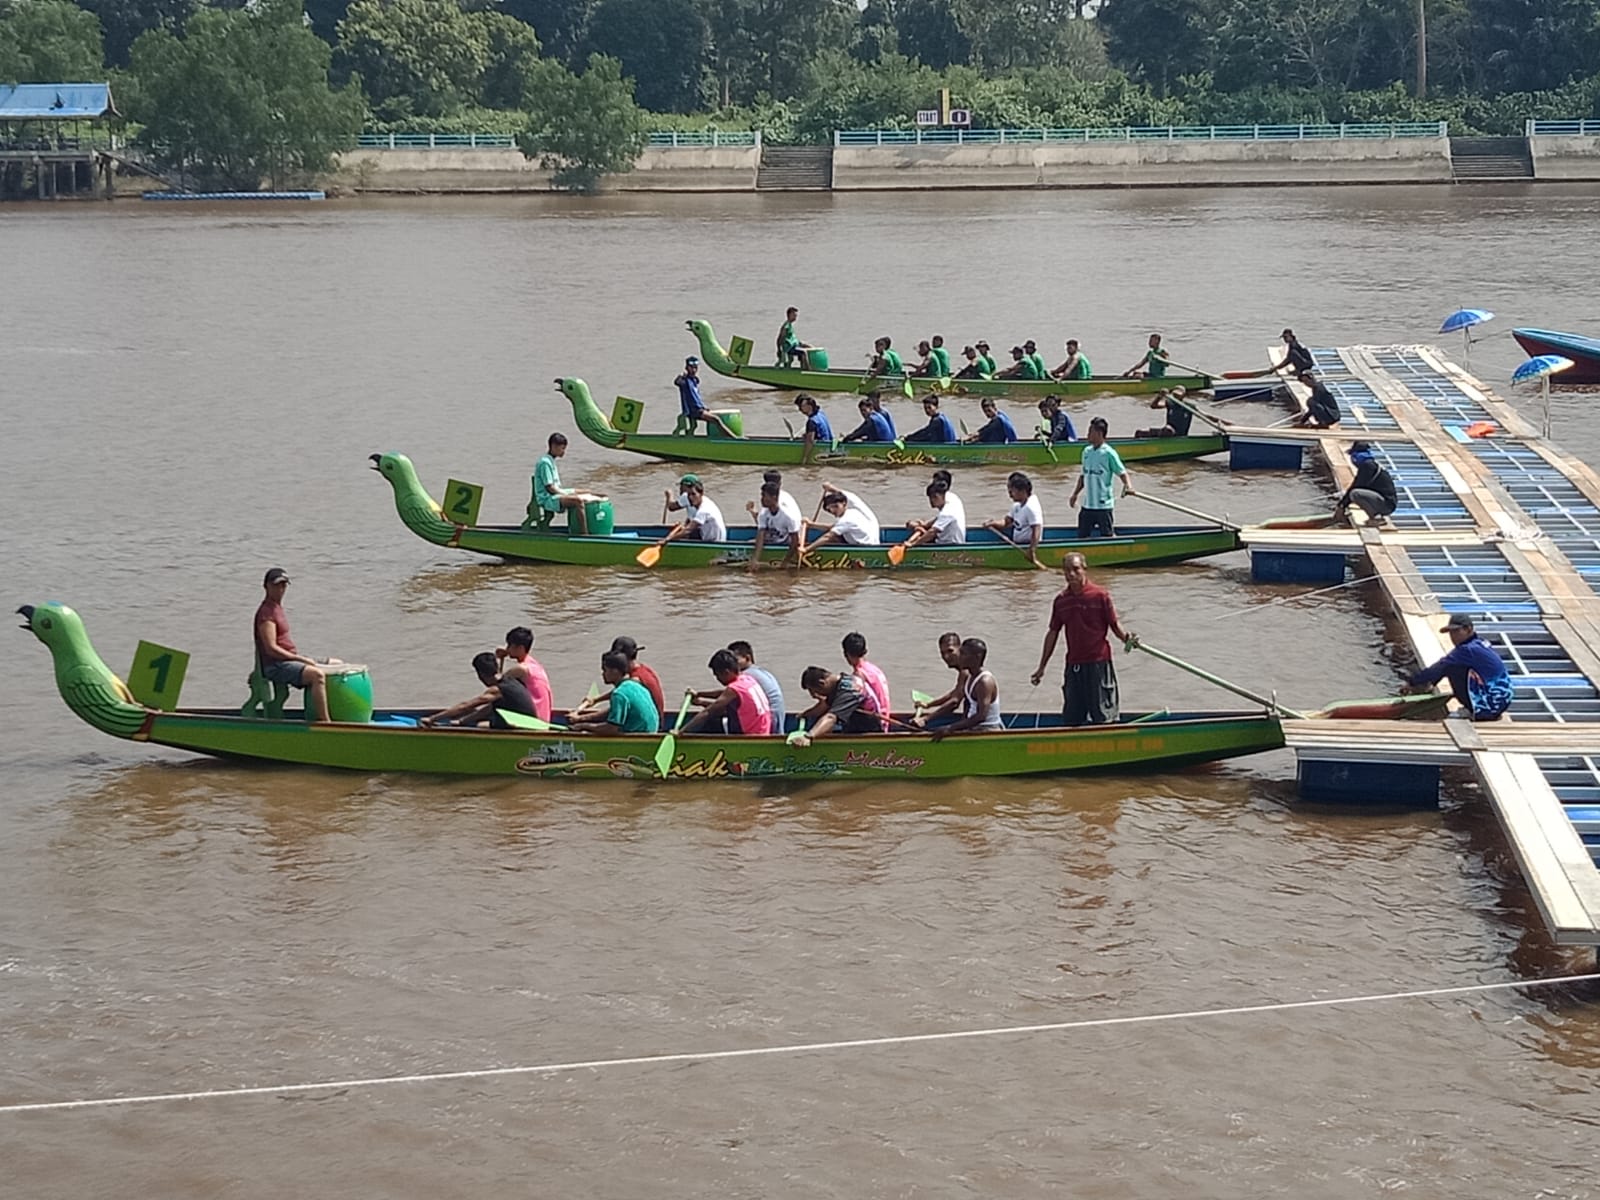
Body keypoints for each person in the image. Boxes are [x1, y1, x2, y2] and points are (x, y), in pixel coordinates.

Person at [1031, 553, 1134, 726]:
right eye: (1067, 570)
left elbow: (1114, 625)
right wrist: (1042, 667)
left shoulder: (1100, 595)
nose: (1071, 574)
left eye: (1076, 569)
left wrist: (1127, 639)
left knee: (1103, 716)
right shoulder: (1061, 601)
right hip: (1074, 665)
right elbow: (1053, 632)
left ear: (1084, 569)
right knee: (1072, 718)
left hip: (1098, 664)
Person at [254, 567, 333, 723]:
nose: (280, 589)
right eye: (276, 585)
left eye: (283, 585)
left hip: (289, 660)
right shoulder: (266, 613)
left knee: (336, 664)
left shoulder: (277, 608)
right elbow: (271, 648)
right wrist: (300, 659)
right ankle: (325, 722)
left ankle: (334, 711)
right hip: (275, 665)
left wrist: (299, 659)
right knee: (316, 675)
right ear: (266, 586)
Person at [1404, 613, 1514, 721]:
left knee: (1451, 667)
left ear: (1468, 629)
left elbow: (1440, 666)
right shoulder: (1480, 643)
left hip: (1489, 704)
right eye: (1451, 633)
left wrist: (1412, 682)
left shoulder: (1467, 650)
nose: (1452, 637)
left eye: (1456, 631)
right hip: (1500, 701)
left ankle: (1472, 710)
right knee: (1451, 664)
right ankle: (1429, 687)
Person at [420, 651, 538, 729]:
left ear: (480, 674)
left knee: (481, 725)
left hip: (522, 727)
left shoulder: (496, 690)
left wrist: (432, 719)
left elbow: (465, 706)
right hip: (529, 723)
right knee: (482, 720)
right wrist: (462, 721)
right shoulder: (510, 680)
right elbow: (488, 709)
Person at [573, 636, 664, 728]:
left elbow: (618, 701)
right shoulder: (643, 671)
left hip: (652, 727)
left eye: (605, 670)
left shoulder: (635, 679)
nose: (602, 674)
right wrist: (594, 700)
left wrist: (583, 721)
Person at [684, 648, 773, 735]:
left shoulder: (734, 689)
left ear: (726, 672)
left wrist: (681, 732)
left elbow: (708, 712)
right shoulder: (747, 679)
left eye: (717, 675)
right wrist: (699, 695)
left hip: (751, 736)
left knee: (709, 719)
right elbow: (722, 694)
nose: (717, 679)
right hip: (763, 731)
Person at [929, 638, 1003, 740]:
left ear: (977, 657)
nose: (959, 657)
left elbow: (981, 716)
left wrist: (950, 728)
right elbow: (958, 698)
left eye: (963, 654)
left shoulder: (985, 682)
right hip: (974, 728)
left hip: (987, 730)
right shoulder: (968, 676)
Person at [1071, 416, 1132, 538]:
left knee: (1107, 535)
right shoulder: (1086, 452)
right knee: (1082, 536)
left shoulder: (1109, 453)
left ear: (1099, 433)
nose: (1087, 435)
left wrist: (1128, 486)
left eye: (1090, 432)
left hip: (1103, 505)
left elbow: (1122, 473)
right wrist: (1075, 494)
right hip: (1088, 505)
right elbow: (1083, 476)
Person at [525, 431, 597, 533]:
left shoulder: (551, 461)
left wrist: (567, 493)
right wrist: (565, 495)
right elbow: (549, 487)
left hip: (556, 493)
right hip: (547, 498)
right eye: (562, 448)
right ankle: (584, 533)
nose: (564, 452)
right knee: (578, 501)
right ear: (553, 446)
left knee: (587, 492)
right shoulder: (545, 463)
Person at [791, 666, 882, 745]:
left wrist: (808, 736)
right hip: (853, 727)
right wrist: (805, 714)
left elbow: (831, 717)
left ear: (822, 683)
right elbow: (824, 706)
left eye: (814, 691)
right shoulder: (841, 682)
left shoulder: (849, 691)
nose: (813, 696)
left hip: (867, 732)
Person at [986, 471, 1045, 567]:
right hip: (1017, 543)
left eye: (1011, 492)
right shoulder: (1017, 505)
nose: (1010, 495)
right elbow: (1006, 522)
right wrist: (992, 523)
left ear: (1022, 491)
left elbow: (1036, 530)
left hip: (1025, 546)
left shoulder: (1031, 507)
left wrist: (1031, 550)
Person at [496, 625, 554, 721]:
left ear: (520, 648)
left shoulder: (521, 669)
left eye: (509, 645)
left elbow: (496, 684)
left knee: (485, 720)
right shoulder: (533, 664)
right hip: (543, 717)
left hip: (534, 720)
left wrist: (500, 659)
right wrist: (507, 652)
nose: (507, 648)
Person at [1335, 441, 1399, 527]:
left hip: (1386, 504)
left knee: (1355, 493)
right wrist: (1343, 504)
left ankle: (1376, 518)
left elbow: (1356, 486)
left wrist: (1342, 506)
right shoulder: (1369, 464)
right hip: (1385, 502)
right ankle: (1376, 516)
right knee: (1354, 493)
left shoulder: (1367, 466)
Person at [656, 473, 728, 550]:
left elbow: (688, 530)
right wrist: (683, 526)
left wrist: (667, 539)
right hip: (705, 534)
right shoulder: (697, 500)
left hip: (715, 541)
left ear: (701, 494)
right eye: (689, 495)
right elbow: (690, 522)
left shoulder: (704, 510)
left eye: (694, 494)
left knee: (685, 534)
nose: (691, 497)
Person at [675, 356, 740, 438]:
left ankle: (720, 436)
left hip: (700, 409)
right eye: (691, 367)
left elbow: (696, 398)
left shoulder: (694, 380)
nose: (694, 370)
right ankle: (732, 438)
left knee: (716, 417)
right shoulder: (684, 381)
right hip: (694, 411)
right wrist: (680, 378)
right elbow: (677, 382)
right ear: (686, 368)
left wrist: (704, 408)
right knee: (716, 420)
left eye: (695, 367)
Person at [727, 640, 786, 732]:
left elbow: (729, 695)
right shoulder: (761, 672)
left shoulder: (746, 676)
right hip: (778, 720)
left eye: (735, 661)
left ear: (747, 658)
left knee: (731, 706)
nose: (731, 664)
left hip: (769, 722)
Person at [806, 483, 880, 551]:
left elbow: (827, 537)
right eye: (829, 510)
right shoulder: (853, 511)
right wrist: (811, 524)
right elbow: (833, 527)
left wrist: (806, 549)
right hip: (872, 543)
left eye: (835, 506)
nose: (833, 510)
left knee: (831, 537)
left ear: (844, 503)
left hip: (865, 547)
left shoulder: (846, 519)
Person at [749, 479, 804, 570]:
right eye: (761, 495)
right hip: (771, 540)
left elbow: (795, 541)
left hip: (784, 543)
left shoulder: (788, 517)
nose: (761, 499)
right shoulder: (763, 514)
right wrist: (755, 560)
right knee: (750, 542)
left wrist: (785, 561)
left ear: (774, 497)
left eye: (764, 496)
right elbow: (760, 536)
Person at [841, 631, 891, 730]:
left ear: (846, 654)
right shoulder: (874, 669)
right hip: (885, 719)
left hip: (877, 723)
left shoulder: (859, 675)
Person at [903, 479, 967, 549]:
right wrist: (925, 524)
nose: (930, 501)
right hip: (948, 539)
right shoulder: (953, 498)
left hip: (950, 544)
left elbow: (932, 532)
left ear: (936, 496)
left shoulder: (947, 513)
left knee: (923, 535)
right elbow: (939, 518)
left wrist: (913, 544)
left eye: (930, 498)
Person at [794, 394, 833, 459]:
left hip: (822, 449)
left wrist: (805, 458)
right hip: (828, 443)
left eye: (801, 407)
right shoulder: (820, 413)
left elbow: (810, 442)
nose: (799, 410)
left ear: (809, 406)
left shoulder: (812, 421)